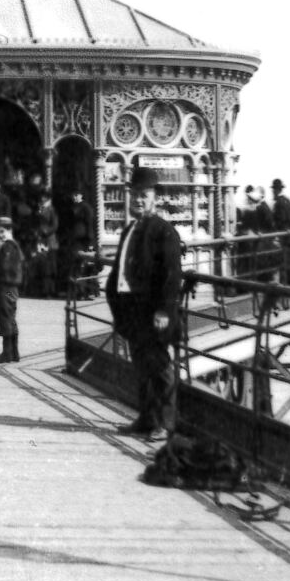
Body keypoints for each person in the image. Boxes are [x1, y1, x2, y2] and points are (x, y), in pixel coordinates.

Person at [106, 166, 184, 441]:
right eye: (135, 194)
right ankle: (146, 418)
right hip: (132, 313)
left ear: (155, 198)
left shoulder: (164, 231)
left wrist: (164, 311)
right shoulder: (130, 229)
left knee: (161, 367)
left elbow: (172, 276)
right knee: (141, 366)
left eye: (145, 195)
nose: (139, 199)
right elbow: (119, 271)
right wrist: (116, 304)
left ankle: (166, 422)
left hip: (154, 313)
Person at [0, 216, 24, 364]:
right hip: (12, 289)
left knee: (5, 315)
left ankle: (7, 353)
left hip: (6, 288)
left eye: (2, 231)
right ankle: (14, 353)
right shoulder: (13, 245)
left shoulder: (8, 247)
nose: (0, 235)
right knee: (10, 315)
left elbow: (5, 267)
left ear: (9, 230)